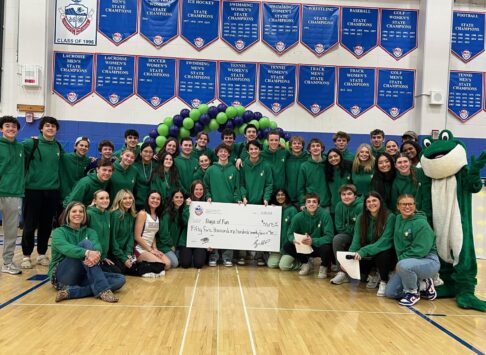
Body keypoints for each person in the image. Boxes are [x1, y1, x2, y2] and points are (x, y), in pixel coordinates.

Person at [48, 202, 125, 303]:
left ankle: (72, 292)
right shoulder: (59, 232)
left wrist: (96, 254)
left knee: (120, 279)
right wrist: (87, 252)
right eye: (74, 211)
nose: (78, 214)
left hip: (85, 273)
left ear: (84, 215)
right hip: (63, 276)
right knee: (86, 243)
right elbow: (67, 249)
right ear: (67, 214)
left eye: (81, 211)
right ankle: (104, 290)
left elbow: (98, 247)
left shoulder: (90, 232)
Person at [21, 116, 63, 269]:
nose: (50, 128)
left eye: (53, 126)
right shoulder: (30, 143)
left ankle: (41, 254)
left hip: (52, 192)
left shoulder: (58, 146)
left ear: (56, 130)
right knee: (29, 225)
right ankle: (26, 256)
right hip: (32, 190)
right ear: (41, 128)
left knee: (46, 225)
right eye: (47, 126)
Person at [384, 194, 439, 306]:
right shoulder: (398, 219)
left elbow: (421, 250)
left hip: (428, 261)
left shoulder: (421, 223)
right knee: (391, 293)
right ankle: (424, 284)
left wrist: (400, 263)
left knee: (404, 265)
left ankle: (412, 293)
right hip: (407, 262)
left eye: (410, 204)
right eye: (404, 204)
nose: (407, 207)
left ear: (415, 206)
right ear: (398, 206)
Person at [349, 192, 397, 296]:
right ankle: (373, 273)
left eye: (374, 200)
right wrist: (349, 257)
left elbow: (385, 241)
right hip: (369, 252)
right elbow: (356, 240)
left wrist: (363, 251)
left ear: (380, 202)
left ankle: (384, 280)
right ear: (365, 205)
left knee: (383, 255)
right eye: (368, 201)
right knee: (355, 260)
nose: (371, 203)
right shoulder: (361, 217)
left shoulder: (390, 217)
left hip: (385, 252)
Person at [204, 143, 241, 266]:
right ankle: (213, 256)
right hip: (213, 207)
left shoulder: (234, 170)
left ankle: (227, 257)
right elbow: (206, 187)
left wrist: (237, 199)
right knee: (213, 231)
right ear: (217, 153)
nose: (223, 154)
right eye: (221, 152)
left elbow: (237, 188)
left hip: (230, 207)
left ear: (229, 153)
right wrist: (208, 197)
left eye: (225, 152)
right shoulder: (210, 170)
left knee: (228, 232)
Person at [283, 193, 334, 278]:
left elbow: (329, 236)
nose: (311, 204)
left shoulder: (325, 215)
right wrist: (293, 239)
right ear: (305, 204)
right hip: (304, 246)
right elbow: (290, 233)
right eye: (309, 202)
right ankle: (305, 264)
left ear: (318, 205)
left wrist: (313, 240)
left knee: (327, 247)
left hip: (318, 246)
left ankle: (323, 267)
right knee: (287, 245)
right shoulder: (298, 217)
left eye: (314, 202)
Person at [239, 140, 273, 266]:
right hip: (246, 204)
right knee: (243, 230)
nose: (253, 151)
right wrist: (243, 196)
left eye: (256, 149)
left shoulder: (266, 166)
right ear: (247, 151)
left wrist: (266, 198)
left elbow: (269, 184)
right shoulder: (243, 165)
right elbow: (240, 183)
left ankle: (259, 256)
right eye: (251, 149)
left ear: (260, 150)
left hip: (261, 204)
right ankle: (243, 255)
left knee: (259, 231)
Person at [0, 116, 24, 275]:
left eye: (14, 126)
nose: (11, 129)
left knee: (10, 230)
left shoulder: (21, 147)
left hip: (14, 192)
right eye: (7, 126)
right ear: (1, 129)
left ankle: (7, 263)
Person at [330, 184, 363, 285]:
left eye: (349, 194)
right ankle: (341, 272)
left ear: (355, 195)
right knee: (337, 239)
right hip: (348, 235)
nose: (346, 197)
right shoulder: (339, 206)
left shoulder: (361, 206)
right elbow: (339, 227)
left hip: (361, 236)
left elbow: (361, 228)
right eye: (343, 194)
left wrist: (349, 229)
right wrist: (351, 229)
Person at [134, 191, 171, 273]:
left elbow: (153, 234)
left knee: (168, 264)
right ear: (148, 199)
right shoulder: (142, 214)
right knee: (161, 265)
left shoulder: (156, 215)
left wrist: (155, 248)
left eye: (158, 199)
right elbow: (137, 236)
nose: (155, 200)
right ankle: (136, 264)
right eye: (153, 198)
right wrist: (151, 250)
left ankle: (147, 264)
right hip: (139, 248)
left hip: (150, 248)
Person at [390, 154, 431, 222]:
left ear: (410, 162)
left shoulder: (421, 173)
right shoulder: (395, 183)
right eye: (399, 162)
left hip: (425, 216)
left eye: (405, 161)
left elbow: (426, 197)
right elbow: (396, 206)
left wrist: (424, 215)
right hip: (408, 219)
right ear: (395, 165)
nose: (403, 165)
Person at [266, 189, 298, 270]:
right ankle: (282, 258)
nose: (280, 197)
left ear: (286, 196)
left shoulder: (292, 210)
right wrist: (272, 210)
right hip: (277, 247)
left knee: (283, 266)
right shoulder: (274, 209)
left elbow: (295, 229)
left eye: (282, 194)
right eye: (278, 195)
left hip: (289, 246)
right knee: (271, 264)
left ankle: (299, 263)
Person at [178, 181, 208, 269]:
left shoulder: (207, 203)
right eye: (196, 189)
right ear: (192, 190)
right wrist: (187, 206)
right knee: (185, 264)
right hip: (186, 239)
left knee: (199, 264)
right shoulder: (186, 202)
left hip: (200, 240)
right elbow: (184, 222)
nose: (199, 191)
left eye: (201, 189)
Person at [86, 190, 116, 273]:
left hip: (102, 257)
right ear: (95, 201)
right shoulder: (88, 214)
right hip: (92, 256)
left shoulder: (107, 214)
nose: (105, 200)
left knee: (117, 271)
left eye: (107, 198)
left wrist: (104, 257)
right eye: (101, 198)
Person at [297, 138, 330, 210]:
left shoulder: (328, 164)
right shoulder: (304, 166)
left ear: (322, 148)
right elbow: (300, 188)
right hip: (310, 204)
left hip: (326, 204)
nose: (315, 148)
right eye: (313, 146)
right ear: (309, 149)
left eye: (318, 146)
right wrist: (302, 203)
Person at [157, 190, 184, 268]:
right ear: (172, 199)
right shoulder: (166, 213)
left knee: (184, 261)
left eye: (181, 197)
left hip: (175, 246)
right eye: (176, 197)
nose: (179, 199)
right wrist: (171, 245)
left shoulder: (180, 212)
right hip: (164, 245)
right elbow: (163, 233)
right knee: (175, 263)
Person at [59, 136, 91, 202]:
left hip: (79, 197)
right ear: (75, 146)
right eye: (81, 145)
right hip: (63, 197)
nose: (84, 148)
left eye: (86, 146)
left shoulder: (88, 161)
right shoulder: (65, 157)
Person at [325, 148, 352, 216]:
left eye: (336, 156)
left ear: (340, 156)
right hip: (334, 208)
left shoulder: (349, 167)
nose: (333, 158)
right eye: (330, 157)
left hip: (350, 206)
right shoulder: (327, 172)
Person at [285, 136, 308, 207]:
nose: (297, 145)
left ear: (302, 146)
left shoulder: (308, 158)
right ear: (290, 146)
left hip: (305, 197)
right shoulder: (286, 159)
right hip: (289, 197)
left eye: (299, 143)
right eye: (294, 143)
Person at [133, 142, 156, 211]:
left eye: (150, 152)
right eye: (145, 151)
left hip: (153, 203)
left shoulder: (157, 165)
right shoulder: (134, 166)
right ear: (140, 153)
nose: (148, 154)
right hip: (138, 203)